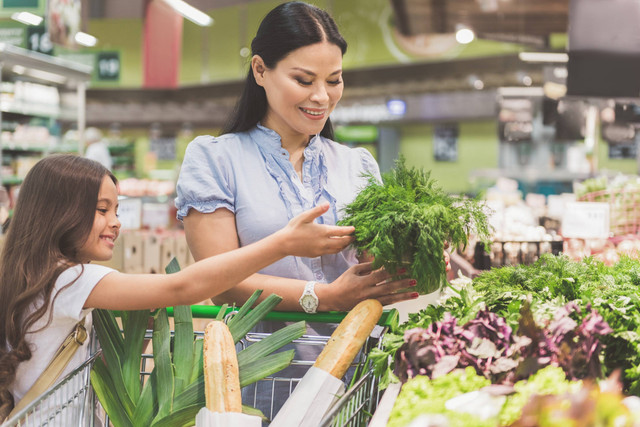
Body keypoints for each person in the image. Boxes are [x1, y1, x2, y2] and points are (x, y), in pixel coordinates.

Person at [0, 154, 355, 417]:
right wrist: (282, 243)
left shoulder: (35, 275)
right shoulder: (70, 280)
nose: (116, 223)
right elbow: (180, 288)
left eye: (117, 210)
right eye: (101, 210)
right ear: (59, 213)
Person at [175, 1, 419, 315]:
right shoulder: (215, 160)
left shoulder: (357, 165)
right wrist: (325, 296)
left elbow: (371, 272)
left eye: (333, 81)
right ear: (260, 70)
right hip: (258, 359)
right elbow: (219, 284)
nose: (321, 97)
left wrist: (413, 256)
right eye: (304, 81)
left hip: (355, 359)